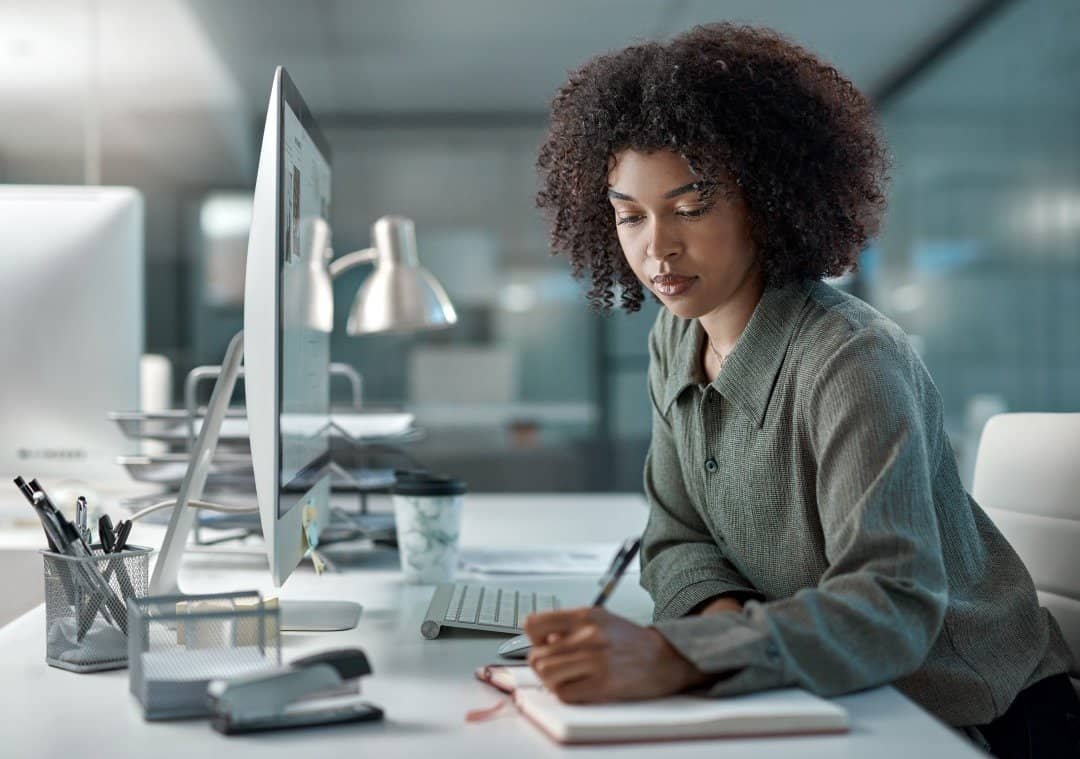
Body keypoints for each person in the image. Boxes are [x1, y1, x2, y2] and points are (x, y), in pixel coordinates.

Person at [524, 22, 1079, 759]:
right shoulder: (675, 338)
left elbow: (891, 606)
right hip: (831, 696)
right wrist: (718, 638)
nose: (656, 247)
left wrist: (684, 655)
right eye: (630, 215)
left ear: (765, 198)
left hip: (976, 721)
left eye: (690, 207)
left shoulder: (851, 359)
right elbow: (676, 536)